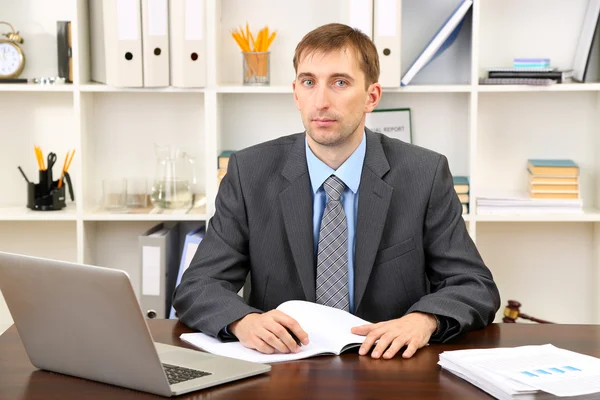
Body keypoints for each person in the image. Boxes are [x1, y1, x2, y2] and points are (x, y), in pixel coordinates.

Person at [172, 23, 500, 360]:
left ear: (371, 96)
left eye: (340, 83)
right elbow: (199, 285)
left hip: (387, 364)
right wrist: (243, 320)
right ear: (296, 93)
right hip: (282, 366)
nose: (321, 101)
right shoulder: (249, 172)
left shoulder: (424, 174)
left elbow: (474, 285)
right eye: (309, 82)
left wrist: (424, 320)